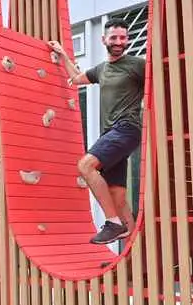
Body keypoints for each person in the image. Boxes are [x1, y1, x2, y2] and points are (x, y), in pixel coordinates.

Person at [49, 18, 145, 244]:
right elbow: (76, 79)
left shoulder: (137, 65)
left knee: (86, 166)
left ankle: (112, 223)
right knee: (117, 195)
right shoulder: (102, 69)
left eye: (123, 38)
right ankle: (134, 244)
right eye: (114, 38)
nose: (119, 42)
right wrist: (62, 55)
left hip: (127, 128)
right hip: (110, 133)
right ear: (104, 40)